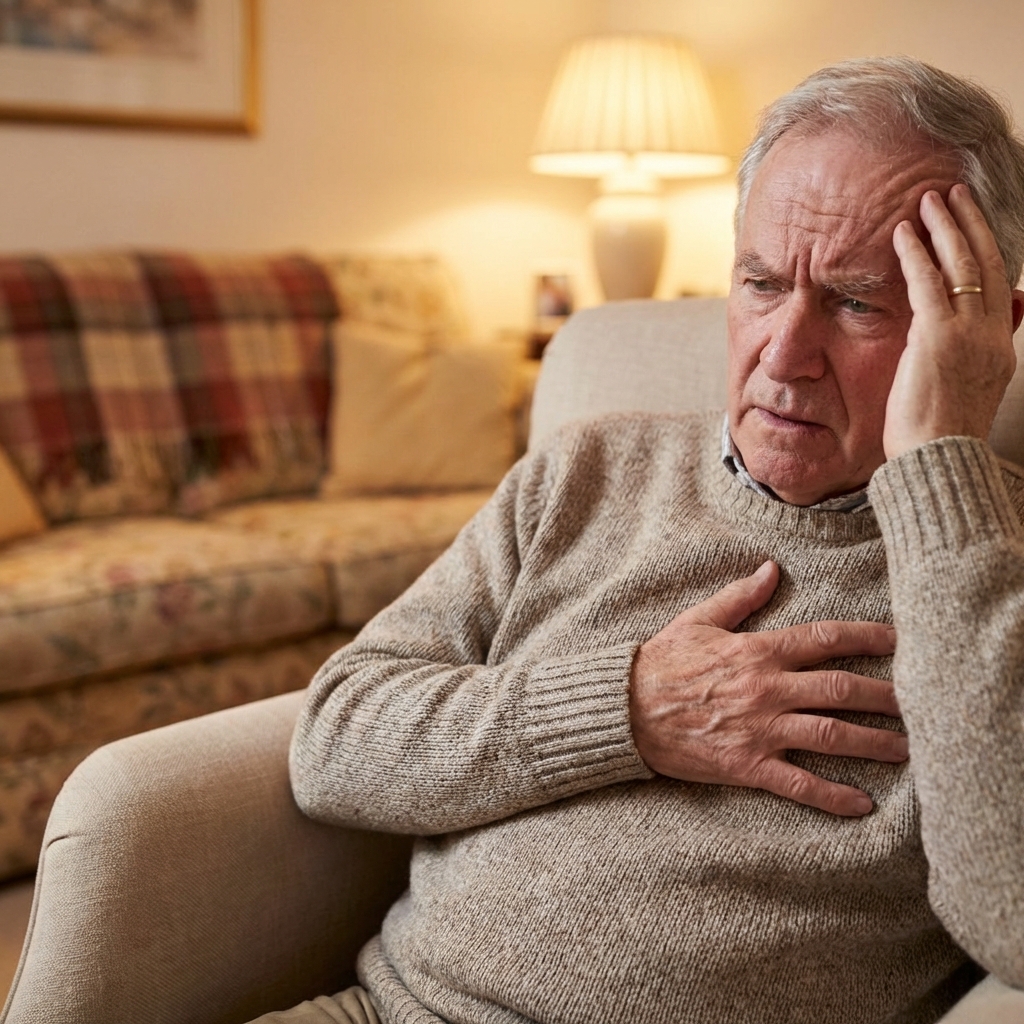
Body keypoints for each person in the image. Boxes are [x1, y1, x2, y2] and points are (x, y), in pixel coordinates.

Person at [252, 56, 1024, 1024]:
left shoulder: (995, 563)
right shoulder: (588, 471)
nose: (781, 354)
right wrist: (629, 708)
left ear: (984, 328)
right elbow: (337, 743)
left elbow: (1012, 919)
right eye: (757, 282)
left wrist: (942, 474)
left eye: (856, 301)